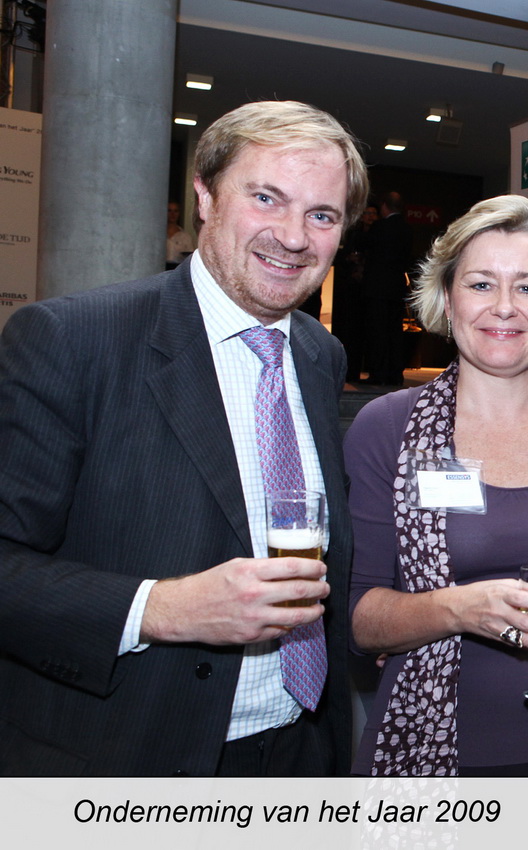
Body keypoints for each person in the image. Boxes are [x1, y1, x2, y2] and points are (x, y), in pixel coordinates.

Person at [0, 100, 369, 776]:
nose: (293, 237)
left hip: (299, 749)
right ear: (205, 196)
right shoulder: (74, 341)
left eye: (322, 215)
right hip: (131, 758)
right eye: (266, 198)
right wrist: (161, 608)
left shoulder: (321, 355)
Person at [346, 194, 528, 776]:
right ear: (447, 300)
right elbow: (361, 621)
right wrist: (456, 609)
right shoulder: (388, 428)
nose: (504, 306)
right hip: (440, 750)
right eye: (480, 285)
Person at [359, 191, 415, 386]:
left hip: (377, 288)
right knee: (395, 332)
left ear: (384, 206)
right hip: (396, 288)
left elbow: (365, 246)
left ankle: (378, 373)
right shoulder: (407, 229)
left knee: (377, 332)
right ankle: (395, 373)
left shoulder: (380, 227)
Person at [333, 203, 378, 381]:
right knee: (350, 331)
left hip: (371, 290)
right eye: (366, 213)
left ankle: (370, 370)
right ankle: (350, 372)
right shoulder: (353, 233)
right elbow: (341, 256)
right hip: (351, 290)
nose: (370, 216)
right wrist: (349, 259)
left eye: (373, 213)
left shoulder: (379, 234)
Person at [166, 199, 196, 267]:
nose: (172, 214)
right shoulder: (158, 236)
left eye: (176, 211)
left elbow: (190, 257)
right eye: (169, 210)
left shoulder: (185, 237)